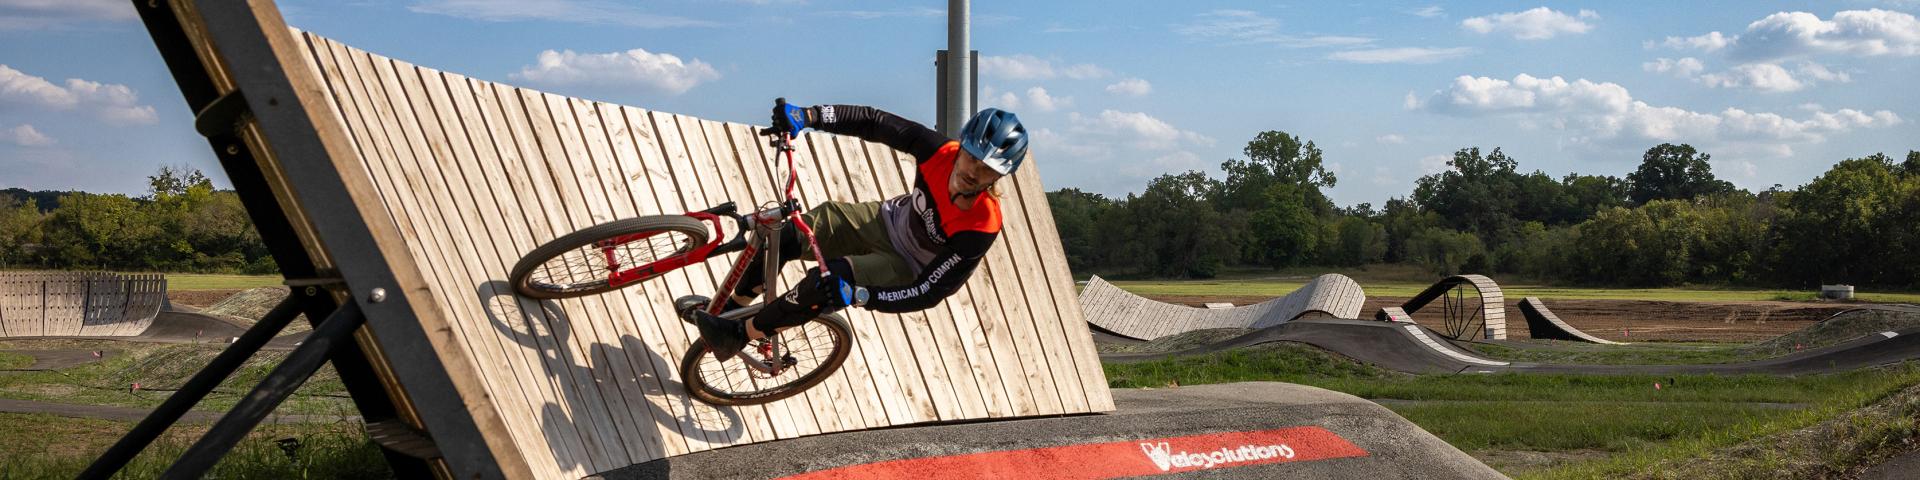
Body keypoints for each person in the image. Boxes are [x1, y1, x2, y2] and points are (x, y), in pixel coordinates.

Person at [685, 101, 1028, 361]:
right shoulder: (938, 151)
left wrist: (864, 296)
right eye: (972, 157)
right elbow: (874, 123)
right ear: (962, 145)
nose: (973, 171)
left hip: (905, 266)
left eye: (988, 169)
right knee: (788, 235)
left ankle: (739, 333)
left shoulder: (981, 224)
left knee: (826, 284)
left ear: (999, 177)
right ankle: (729, 309)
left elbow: (931, 290)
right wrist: (809, 117)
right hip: (882, 220)